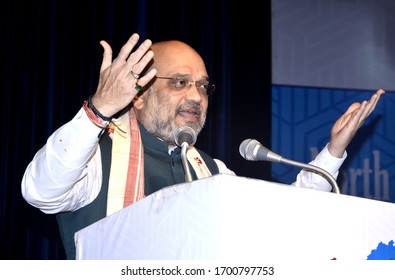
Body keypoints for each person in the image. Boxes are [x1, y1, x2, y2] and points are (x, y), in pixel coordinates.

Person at [21, 33, 384, 259]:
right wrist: (98, 110)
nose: (196, 95)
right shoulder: (95, 155)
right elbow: (40, 191)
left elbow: (281, 218)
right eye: (180, 82)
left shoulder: (211, 172)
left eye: (203, 86)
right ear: (139, 97)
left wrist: (333, 151)